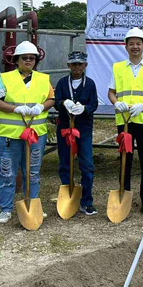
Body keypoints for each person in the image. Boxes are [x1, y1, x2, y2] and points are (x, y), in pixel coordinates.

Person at [0, 41, 55, 224]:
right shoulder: (4, 78)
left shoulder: (43, 79)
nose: (28, 60)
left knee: (33, 172)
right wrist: (14, 109)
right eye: (24, 58)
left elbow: (52, 99)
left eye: (32, 58)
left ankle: (32, 204)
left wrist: (41, 106)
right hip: (8, 136)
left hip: (36, 134)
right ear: (16, 60)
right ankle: (5, 209)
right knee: (7, 173)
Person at [108, 27, 143, 215]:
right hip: (124, 120)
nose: (135, 47)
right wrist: (117, 103)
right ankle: (125, 196)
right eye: (131, 43)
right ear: (125, 46)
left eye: (138, 43)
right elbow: (111, 92)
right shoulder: (117, 68)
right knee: (126, 159)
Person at [54, 51, 99, 215]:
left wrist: (85, 108)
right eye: (74, 64)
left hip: (83, 128)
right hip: (65, 128)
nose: (77, 67)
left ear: (85, 65)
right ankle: (69, 195)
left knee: (87, 165)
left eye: (80, 64)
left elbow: (94, 104)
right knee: (65, 163)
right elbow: (56, 101)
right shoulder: (61, 83)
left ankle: (87, 201)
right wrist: (62, 103)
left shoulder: (90, 84)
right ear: (68, 65)